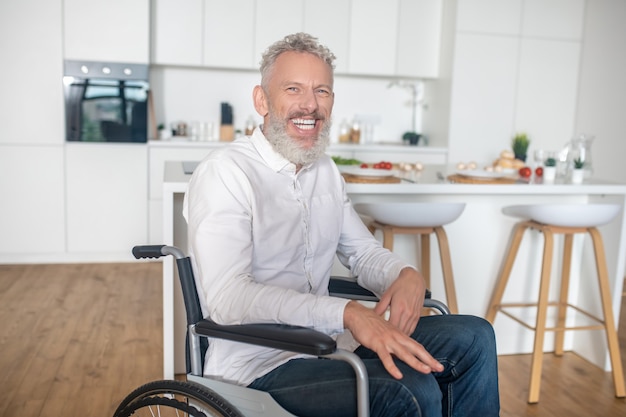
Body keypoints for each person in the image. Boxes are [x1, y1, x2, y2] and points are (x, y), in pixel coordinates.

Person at [184, 32, 500, 417]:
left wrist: (404, 273)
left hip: (331, 347)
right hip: (258, 367)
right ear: (261, 100)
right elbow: (227, 299)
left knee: (474, 336)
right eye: (294, 89)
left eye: (323, 91)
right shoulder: (225, 173)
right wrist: (347, 312)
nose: (310, 105)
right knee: (411, 390)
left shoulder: (324, 171)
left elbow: (361, 252)